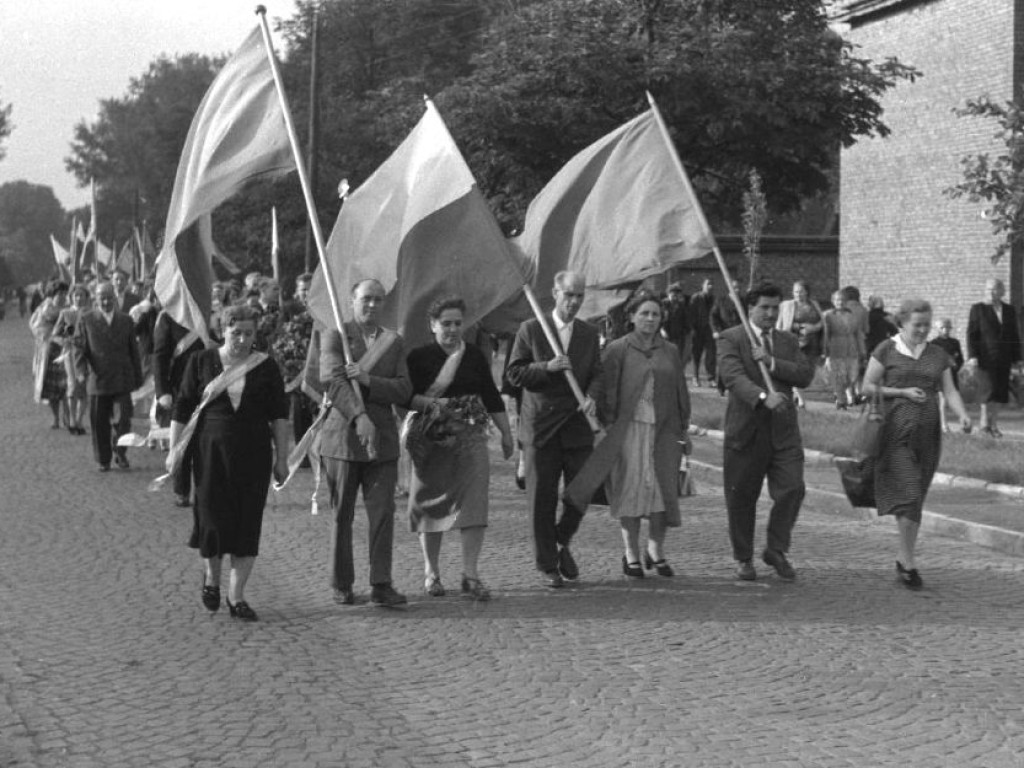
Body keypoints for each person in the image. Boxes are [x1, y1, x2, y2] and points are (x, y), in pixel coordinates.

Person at [170, 304, 290, 620]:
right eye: (236, 332)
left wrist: (283, 457)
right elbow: (182, 409)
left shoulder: (266, 367)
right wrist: (174, 451)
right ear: (223, 331)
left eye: (249, 334)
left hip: (254, 454)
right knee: (211, 518)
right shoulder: (200, 361)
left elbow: (279, 414)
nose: (242, 340)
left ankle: (236, 597)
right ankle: (211, 577)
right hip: (209, 453)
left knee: (247, 521)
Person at [566, 291, 690, 578]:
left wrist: (684, 427)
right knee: (631, 491)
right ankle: (631, 553)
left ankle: (655, 549)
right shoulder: (618, 348)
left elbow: (680, 391)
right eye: (644, 313)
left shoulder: (669, 350)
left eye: (655, 314)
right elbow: (606, 389)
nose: (650, 319)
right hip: (629, 431)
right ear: (631, 317)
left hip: (664, 431)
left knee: (663, 492)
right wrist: (604, 425)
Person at [404, 297, 514, 600]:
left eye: (457, 323)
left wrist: (506, 433)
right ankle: (432, 572)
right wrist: (437, 405)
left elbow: (491, 396)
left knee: (475, 502)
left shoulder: (475, 356)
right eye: (446, 323)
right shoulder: (419, 357)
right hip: (433, 437)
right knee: (431, 503)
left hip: (470, 436)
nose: (452, 329)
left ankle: (470, 573)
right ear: (432, 325)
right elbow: (406, 397)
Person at [861, 299, 971, 589]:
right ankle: (908, 562)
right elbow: (867, 387)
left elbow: (949, 390)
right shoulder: (886, 349)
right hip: (894, 433)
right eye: (917, 325)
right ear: (902, 323)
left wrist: (963, 416)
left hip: (927, 436)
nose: (923, 330)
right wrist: (902, 392)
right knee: (909, 492)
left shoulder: (939, 354)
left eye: (927, 324)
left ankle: (904, 558)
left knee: (916, 497)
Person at [506, 271, 601, 588]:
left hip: (576, 425)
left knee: (582, 491)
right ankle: (548, 564)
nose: (574, 302)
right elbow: (514, 374)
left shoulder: (588, 333)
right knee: (541, 499)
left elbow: (597, 374)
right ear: (555, 293)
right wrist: (546, 367)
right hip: (542, 427)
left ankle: (560, 541)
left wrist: (593, 397)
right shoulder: (532, 329)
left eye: (579, 296)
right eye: (569, 295)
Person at [320, 279, 412, 607]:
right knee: (341, 514)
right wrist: (359, 415)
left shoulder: (393, 342)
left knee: (383, 513)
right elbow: (332, 380)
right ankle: (341, 582)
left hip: (382, 443)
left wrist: (369, 381)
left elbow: (403, 389)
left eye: (377, 300)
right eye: (366, 299)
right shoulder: (335, 336)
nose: (371, 305)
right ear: (352, 300)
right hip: (343, 439)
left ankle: (381, 583)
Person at [718, 283, 816, 581]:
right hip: (746, 432)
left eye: (775, 308)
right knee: (741, 497)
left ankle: (776, 548)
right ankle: (743, 558)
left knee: (793, 488)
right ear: (750, 308)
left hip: (784, 433)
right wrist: (763, 397)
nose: (771, 314)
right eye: (765, 308)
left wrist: (772, 363)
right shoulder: (731, 338)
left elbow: (805, 374)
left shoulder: (786, 341)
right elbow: (732, 377)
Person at [73, 281, 143, 471]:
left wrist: (138, 377)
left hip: (122, 378)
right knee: (99, 422)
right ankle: (103, 459)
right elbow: (79, 349)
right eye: (101, 298)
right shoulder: (86, 320)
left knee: (124, 419)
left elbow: (133, 351)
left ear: (115, 298)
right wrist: (80, 372)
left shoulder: (126, 320)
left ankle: (120, 453)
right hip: (98, 379)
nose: (105, 302)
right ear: (95, 299)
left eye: (109, 298)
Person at [153, 310, 207, 506]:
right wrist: (162, 391)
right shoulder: (168, 318)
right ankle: (182, 489)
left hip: (209, 384)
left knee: (206, 440)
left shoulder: (208, 313)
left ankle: (206, 488)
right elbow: (160, 356)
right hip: (180, 387)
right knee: (182, 439)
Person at [967, 278, 1021, 437]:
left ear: (1002, 291)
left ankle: (994, 425)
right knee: (986, 391)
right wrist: (972, 356)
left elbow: (1014, 335)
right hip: (985, 357)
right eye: (988, 289)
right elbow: (972, 334)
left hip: (1004, 357)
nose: (990, 292)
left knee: (999, 392)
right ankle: (984, 425)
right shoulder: (978, 309)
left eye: (994, 289)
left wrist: (1017, 358)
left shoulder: (1009, 310)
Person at [776, 280, 824, 408]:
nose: (798, 294)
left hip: (813, 342)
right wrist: (800, 327)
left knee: (810, 370)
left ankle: (796, 394)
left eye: (801, 291)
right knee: (797, 370)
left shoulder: (814, 304)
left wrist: (813, 328)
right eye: (796, 291)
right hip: (794, 342)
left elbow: (822, 322)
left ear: (807, 292)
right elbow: (782, 324)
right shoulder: (786, 305)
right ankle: (802, 400)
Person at [52, 284, 92, 435]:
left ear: (87, 297)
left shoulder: (92, 313)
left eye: (82, 295)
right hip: (70, 353)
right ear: (71, 297)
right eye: (76, 295)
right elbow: (55, 334)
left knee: (84, 386)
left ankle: (80, 420)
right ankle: (72, 420)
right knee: (73, 384)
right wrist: (64, 341)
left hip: (87, 354)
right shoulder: (66, 313)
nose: (79, 298)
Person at [30, 281, 70, 429]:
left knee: (66, 386)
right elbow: (35, 326)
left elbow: (72, 328)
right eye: (59, 294)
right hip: (50, 352)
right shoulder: (43, 309)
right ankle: (55, 417)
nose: (62, 297)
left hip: (65, 351)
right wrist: (51, 333)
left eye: (65, 294)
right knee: (52, 389)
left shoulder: (68, 308)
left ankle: (68, 417)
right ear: (53, 295)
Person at [822, 288, 865, 409]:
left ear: (846, 301)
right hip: (835, 348)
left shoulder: (852, 315)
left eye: (841, 300)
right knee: (838, 375)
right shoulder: (827, 315)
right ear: (833, 301)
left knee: (851, 376)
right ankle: (841, 400)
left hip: (851, 348)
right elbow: (825, 335)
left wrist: (862, 351)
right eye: (837, 300)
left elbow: (858, 334)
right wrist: (825, 350)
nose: (839, 302)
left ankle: (842, 395)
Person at [931, 318, 964, 432]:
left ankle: (963, 423)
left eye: (947, 328)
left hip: (952, 373)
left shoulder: (955, 342)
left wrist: (956, 366)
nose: (945, 330)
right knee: (943, 399)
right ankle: (944, 425)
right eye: (942, 328)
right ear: (937, 329)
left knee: (956, 399)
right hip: (940, 375)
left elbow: (960, 358)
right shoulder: (933, 343)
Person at [688, 278, 716, 387]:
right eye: (708, 284)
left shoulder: (714, 299)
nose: (710, 286)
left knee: (711, 355)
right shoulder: (696, 298)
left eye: (712, 284)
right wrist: (692, 328)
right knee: (696, 355)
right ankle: (695, 377)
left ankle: (711, 379)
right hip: (698, 330)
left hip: (710, 331)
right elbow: (690, 313)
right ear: (703, 286)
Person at [663, 281, 691, 370]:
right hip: (665, 335)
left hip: (678, 336)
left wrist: (688, 332)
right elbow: (659, 319)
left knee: (676, 356)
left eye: (676, 295)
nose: (674, 297)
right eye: (672, 294)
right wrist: (661, 330)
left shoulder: (681, 306)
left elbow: (686, 321)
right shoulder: (663, 305)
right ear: (668, 294)